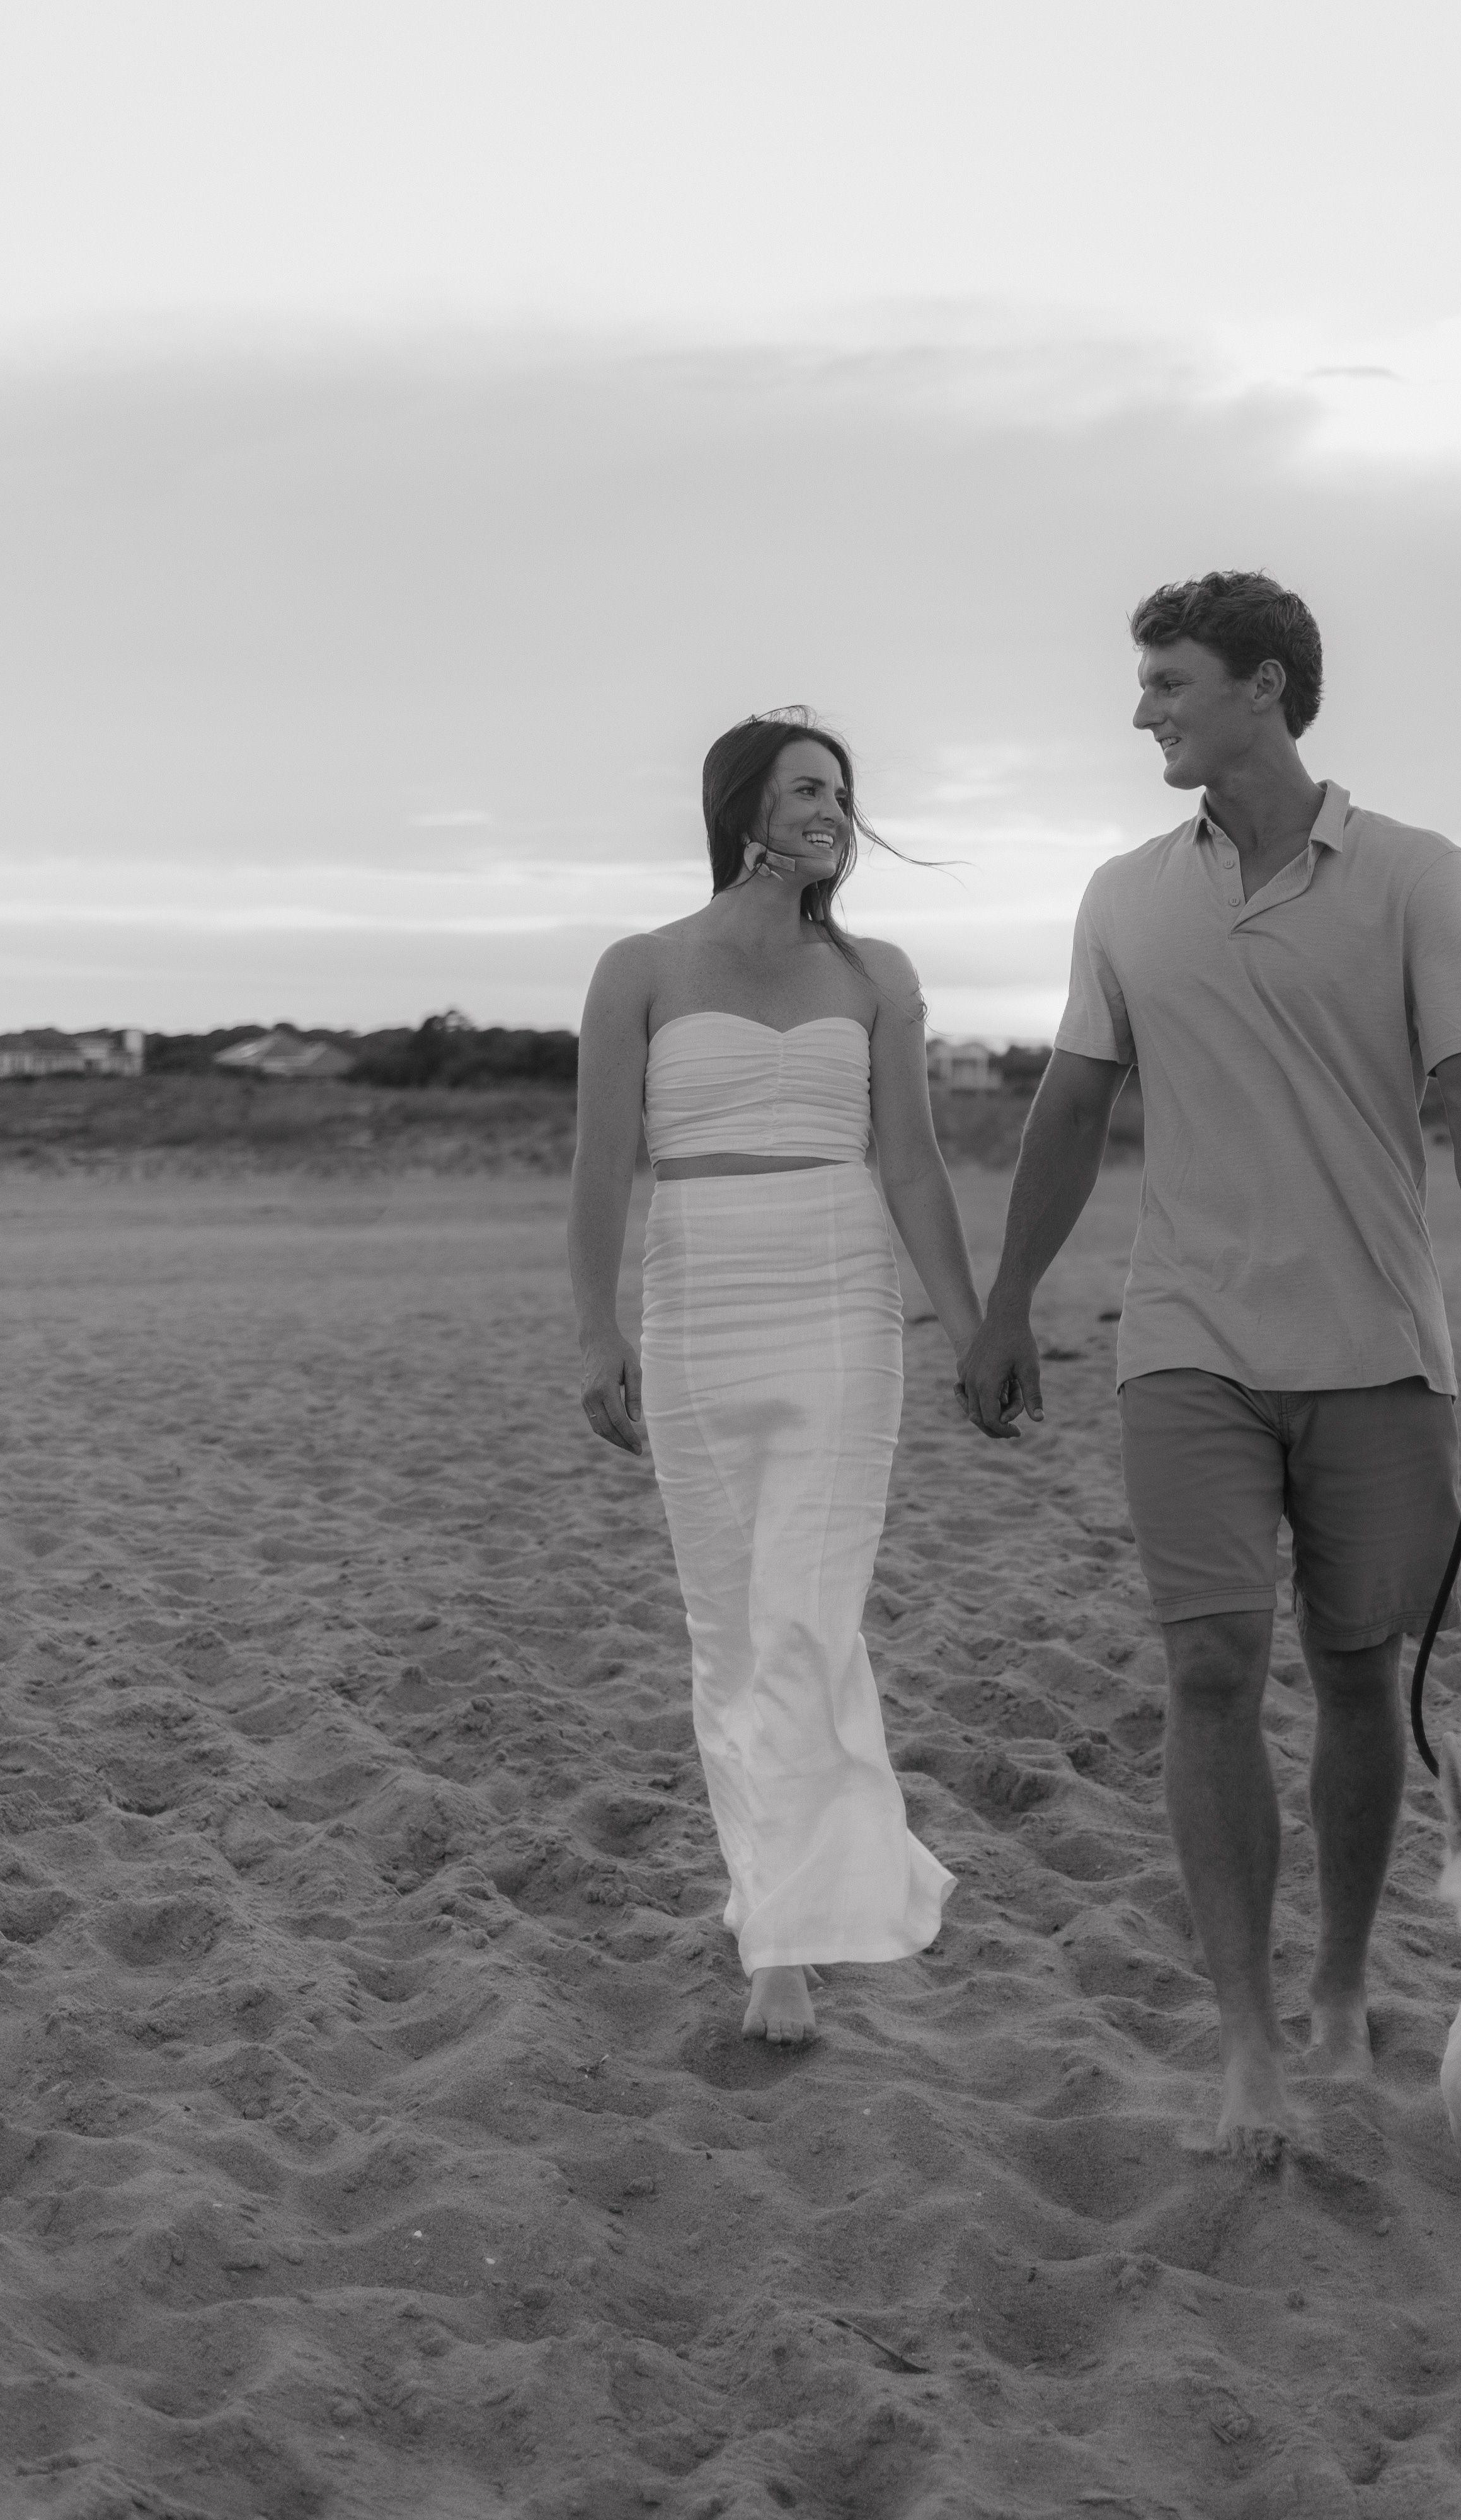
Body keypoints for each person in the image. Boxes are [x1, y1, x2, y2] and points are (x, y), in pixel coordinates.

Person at [955, 572, 1461, 2160]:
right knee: (1212, 1669)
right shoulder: (1124, 894)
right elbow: (1072, 1107)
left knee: (1360, 1673)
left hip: (1376, 1348)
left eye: (1169, 680)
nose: (1141, 709)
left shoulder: (1416, 873)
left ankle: (1342, 1988)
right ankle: (1246, 2049)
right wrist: (1008, 1302)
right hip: (1187, 1345)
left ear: (1266, 687)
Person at [571, 711, 978, 2046]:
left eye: (843, 796)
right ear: (742, 805)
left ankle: (791, 1935)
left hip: (843, 1306)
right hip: (699, 1306)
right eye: (809, 790)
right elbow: (600, 1166)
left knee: (807, 1621)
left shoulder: (876, 975)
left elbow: (911, 1162)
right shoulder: (640, 968)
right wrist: (594, 1330)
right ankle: (775, 1916)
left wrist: (972, 1324)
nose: (833, 814)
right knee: (733, 1636)